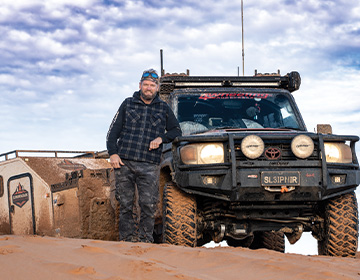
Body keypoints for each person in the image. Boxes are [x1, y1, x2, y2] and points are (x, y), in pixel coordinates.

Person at [106, 69, 182, 243]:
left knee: (148, 205)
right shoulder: (127, 104)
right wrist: (113, 154)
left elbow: (176, 130)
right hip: (125, 163)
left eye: (152, 85)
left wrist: (161, 138)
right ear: (140, 85)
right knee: (125, 204)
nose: (148, 88)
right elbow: (112, 133)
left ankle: (145, 241)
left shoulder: (163, 108)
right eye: (145, 84)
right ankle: (126, 240)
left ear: (157, 88)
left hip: (150, 164)